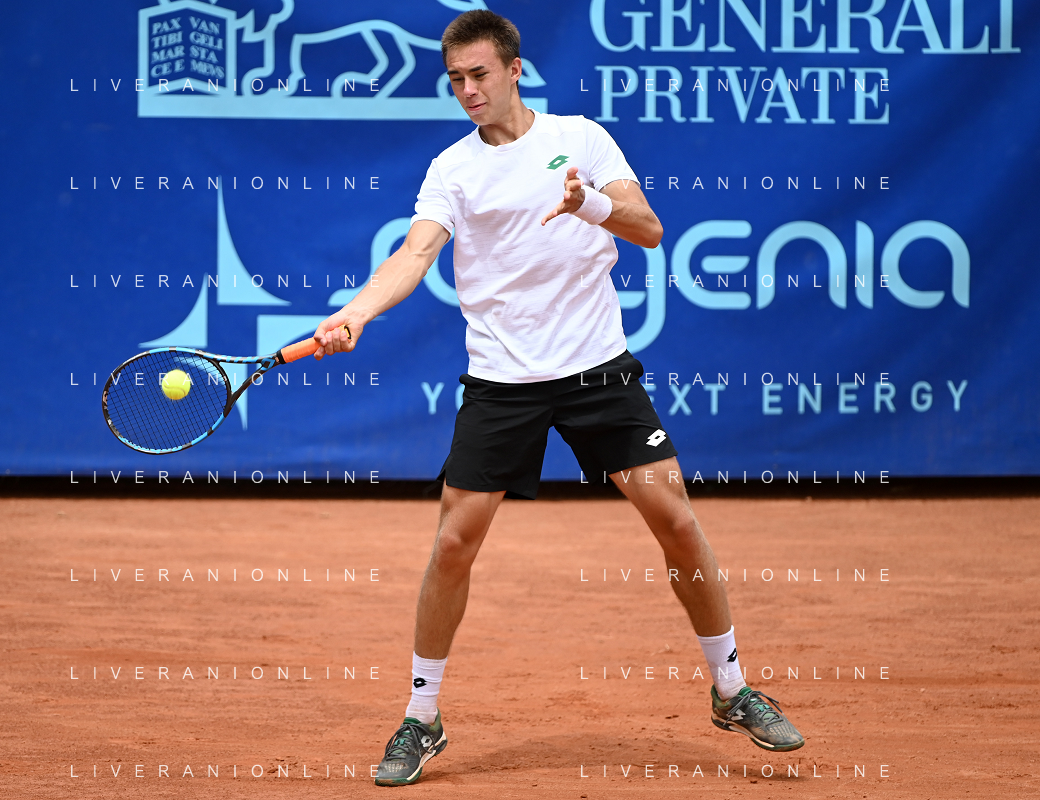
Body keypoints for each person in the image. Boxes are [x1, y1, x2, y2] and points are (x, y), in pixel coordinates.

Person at [312, 9, 805, 787]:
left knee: (676, 520)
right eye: (454, 79)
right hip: (502, 383)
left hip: (597, 372)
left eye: (479, 74)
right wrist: (358, 312)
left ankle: (731, 689)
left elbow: (648, 227)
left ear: (514, 70)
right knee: (453, 545)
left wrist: (588, 204)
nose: (467, 90)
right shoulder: (452, 169)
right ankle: (422, 715)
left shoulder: (580, 137)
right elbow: (414, 253)